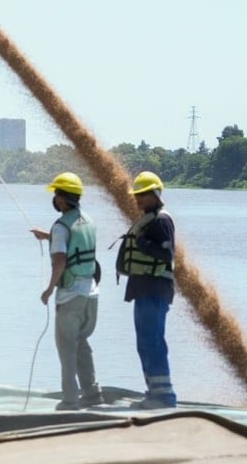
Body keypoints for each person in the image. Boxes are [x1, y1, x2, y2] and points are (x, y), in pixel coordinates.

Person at [31, 172, 102, 410]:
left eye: (56, 194)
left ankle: (70, 399)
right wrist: (48, 236)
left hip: (70, 294)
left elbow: (60, 260)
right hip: (91, 294)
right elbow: (76, 242)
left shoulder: (60, 227)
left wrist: (49, 290)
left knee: (66, 347)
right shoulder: (89, 220)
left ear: (62, 198)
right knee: (81, 342)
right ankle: (92, 392)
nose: (55, 198)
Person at [117, 171, 177, 409]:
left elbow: (166, 254)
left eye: (143, 194)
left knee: (152, 340)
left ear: (155, 194)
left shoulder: (161, 221)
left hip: (155, 290)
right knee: (144, 342)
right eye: (136, 195)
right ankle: (154, 392)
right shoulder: (148, 218)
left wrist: (142, 243)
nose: (138, 199)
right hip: (143, 290)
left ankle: (164, 395)